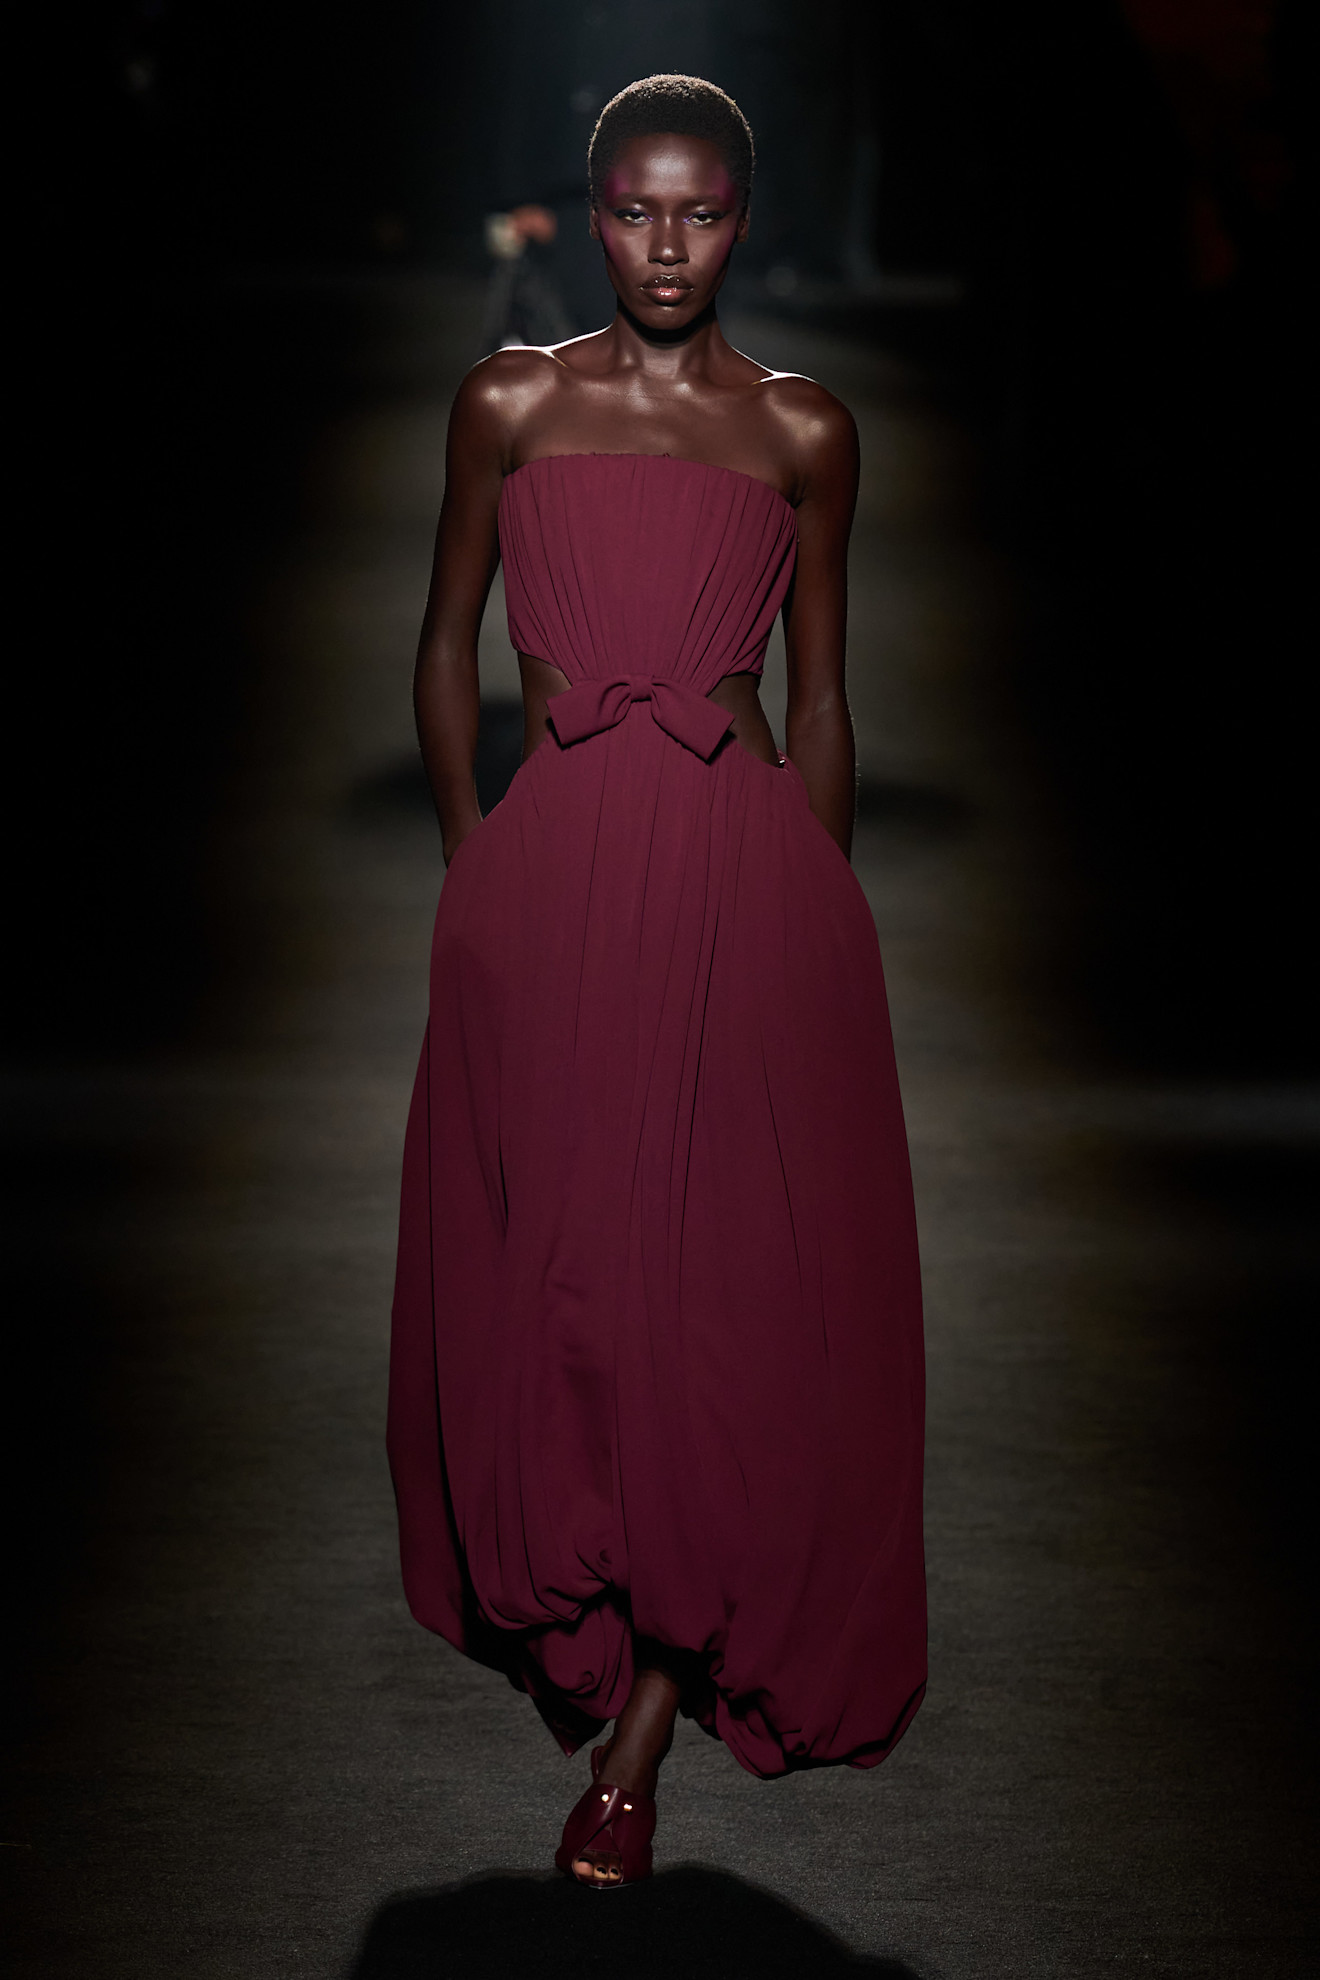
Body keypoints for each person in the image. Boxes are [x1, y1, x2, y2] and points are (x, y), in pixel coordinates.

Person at [389, 73, 925, 1891]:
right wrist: (481, 871)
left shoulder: (803, 430)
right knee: (569, 1288)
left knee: (715, 1314)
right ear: (594, 212)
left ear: (742, 220)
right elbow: (443, 643)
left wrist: (819, 921)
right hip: (550, 886)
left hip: (738, 888)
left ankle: (637, 1741)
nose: (668, 245)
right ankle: (592, 1607)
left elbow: (828, 692)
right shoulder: (510, 402)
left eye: (700, 213)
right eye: (636, 211)